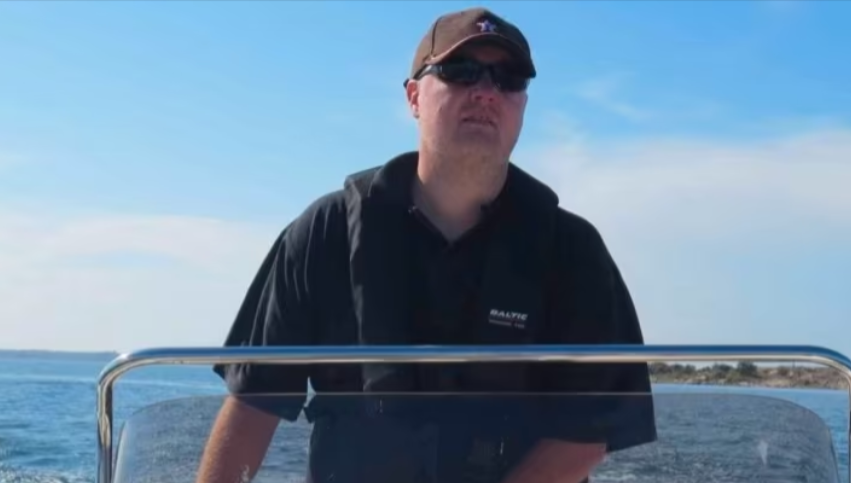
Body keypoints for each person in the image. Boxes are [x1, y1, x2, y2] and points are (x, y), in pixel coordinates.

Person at [196, 6, 657, 483]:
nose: (486, 92)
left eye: (509, 79)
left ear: (523, 104)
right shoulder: (325, 233)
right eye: (460, 71)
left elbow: (586, 433)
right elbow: (252, 404)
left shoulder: (573, 251)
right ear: (414, 97)